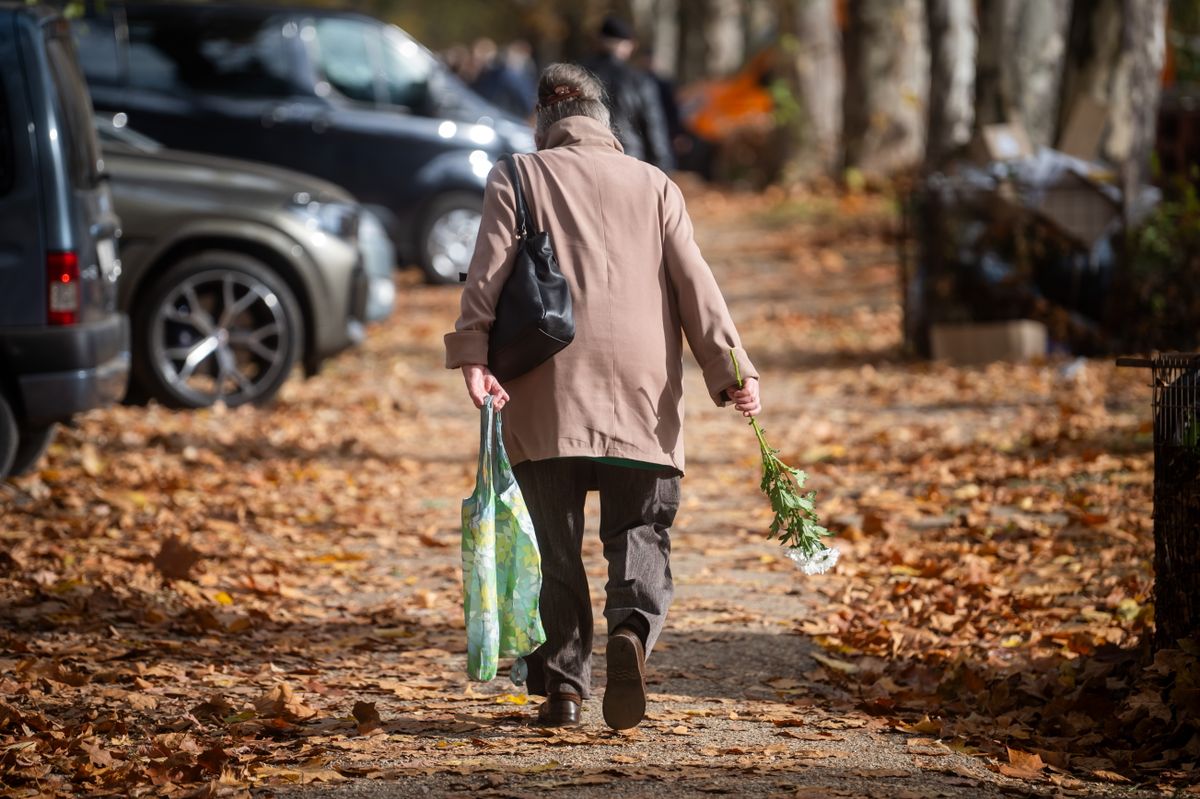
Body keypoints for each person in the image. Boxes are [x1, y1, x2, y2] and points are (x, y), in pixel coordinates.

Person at [444, 63, 759, 730]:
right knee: (640, 526)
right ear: (605, 119)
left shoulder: (517, 176)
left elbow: (487, 274)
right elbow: (695, 283)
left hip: (545, 384)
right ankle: (631, 631)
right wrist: (732, 367)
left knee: (553, 543)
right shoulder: (656, 184)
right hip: (643, 390)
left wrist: (472, 354)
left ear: (543, 121)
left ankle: (563, 687)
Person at [580, 16, 675, 171]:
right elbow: (653, 129)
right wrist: (663, 169)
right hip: (628, 161)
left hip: (583, 161)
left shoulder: (575, 74)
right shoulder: (638, 80)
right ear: (627, 45)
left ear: (598, 41)